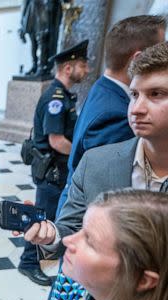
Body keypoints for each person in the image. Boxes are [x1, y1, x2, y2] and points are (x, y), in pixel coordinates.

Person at [25, 41, 168, 258]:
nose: (136, 109)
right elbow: (71, 228)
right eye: (134, 95)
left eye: (156, 94)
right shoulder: (95, 163)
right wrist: (51, 235)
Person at [0, 189, 168, 300]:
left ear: (142, 279)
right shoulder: (73, 282)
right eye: (81, 229)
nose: (67, 241)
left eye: (90, 241)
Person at [57, 15, 166, 215]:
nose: (136, 109)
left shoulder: (103, 88)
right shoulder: (114, 114)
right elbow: (105, 192)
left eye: (155, 94)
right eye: (160, 46)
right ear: (139, 58)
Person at [21, 40, 89, 286]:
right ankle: (28, 263)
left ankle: (43, 253)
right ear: (68, 68)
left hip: (56, 169)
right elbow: (57, 140)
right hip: (51, 170)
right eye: (83, 65)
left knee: (49, 217)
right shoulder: (55, 97)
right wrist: (81, 157)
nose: (88, 70)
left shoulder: (63, 95)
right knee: (41, 218)